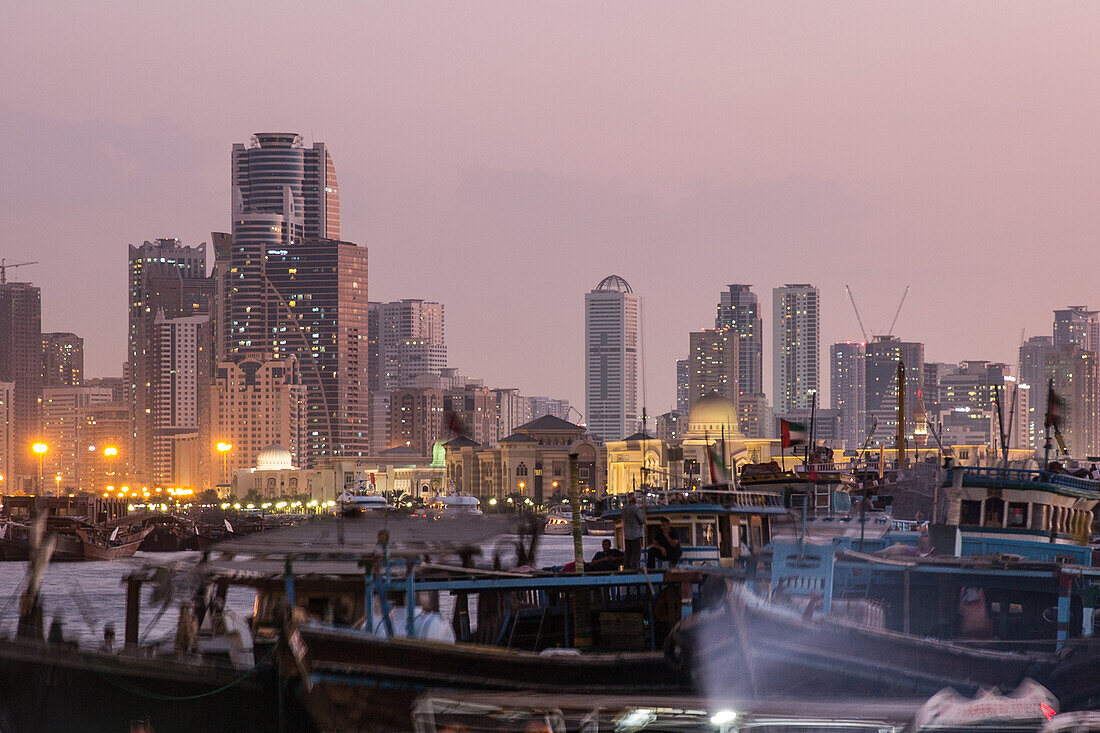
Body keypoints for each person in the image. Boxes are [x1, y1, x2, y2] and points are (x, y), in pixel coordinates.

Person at [621, 493, 645, 569]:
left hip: (627, 535)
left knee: (628, 553)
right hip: (636, 534)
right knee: (636, 553)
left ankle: (627, 568)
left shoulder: (624, 509)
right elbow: (642, 520)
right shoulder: (636, 508)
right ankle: (635, 568)